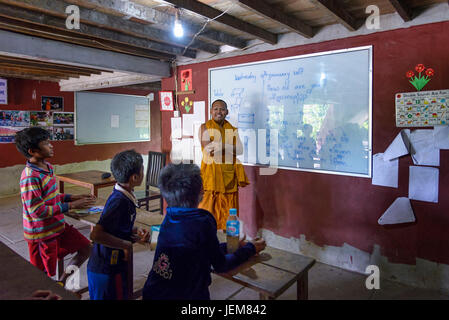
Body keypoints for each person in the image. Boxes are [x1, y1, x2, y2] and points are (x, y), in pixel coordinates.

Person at [142, 163, 266, 300]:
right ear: (201, 190)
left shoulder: (169, 217)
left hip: (153, 292)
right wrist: (250, 248)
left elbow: (199, 249)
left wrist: (231, 246)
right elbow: (221, 265)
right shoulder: (203, 221)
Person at [15, 127, 96, 286]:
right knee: (42, 276)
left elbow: (51, 197)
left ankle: (62, 282)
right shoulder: (30, 177)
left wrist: (72, 197)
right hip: (40, 234)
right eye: (46, 143)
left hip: (57, 226)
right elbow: (38, 211)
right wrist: (71, 205)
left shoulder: (48, 168)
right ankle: (50, 289)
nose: (51, 145)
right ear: (33, 151)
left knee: (86, 248)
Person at [87, 149, 150, 300]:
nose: (143, 173)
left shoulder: (123, 194)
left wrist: (134, 229)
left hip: (111, 265)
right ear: (135, 177)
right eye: (142, 171)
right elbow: (96, 234)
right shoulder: (119, 201)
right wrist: (126, 245)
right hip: (106, 270)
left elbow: (115, 225)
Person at [198, 99, 249, 230]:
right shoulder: (204, 127)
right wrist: (229, 147)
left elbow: (240, 150)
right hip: (211, 178)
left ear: (227, 112)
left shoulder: (231, 129)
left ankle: (228, 244)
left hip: (229, 178)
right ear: (210, 111)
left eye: (222, 109)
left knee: (229, 217)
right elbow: (209, 149)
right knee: (207, 214)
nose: (218, 112)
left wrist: (221, 146)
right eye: (215, 109)